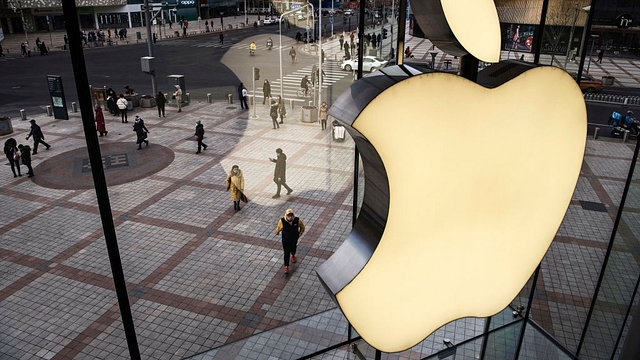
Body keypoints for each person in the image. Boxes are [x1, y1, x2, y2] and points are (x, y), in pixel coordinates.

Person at [275, 208, 305, 274]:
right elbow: (278, 228)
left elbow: (302, 227)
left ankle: (293, 255)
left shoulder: (297, 220)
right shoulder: (282, 221)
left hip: (294, 239)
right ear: (286, 216)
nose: (290, 217)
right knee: (286, 253)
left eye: (291, 216)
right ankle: (286, 266)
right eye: (288, 216)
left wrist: (299, 234)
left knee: (293, 248)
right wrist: (277, 232)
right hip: (285, 240)